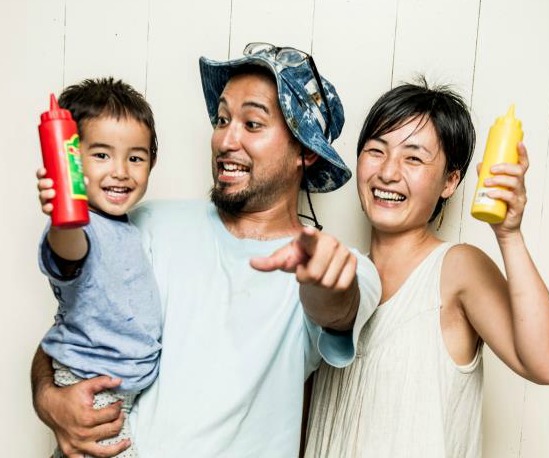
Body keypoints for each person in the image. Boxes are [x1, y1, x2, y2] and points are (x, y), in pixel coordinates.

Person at [31, 43, 381, 457]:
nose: (226, 140)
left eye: (252, 123)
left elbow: (337, 307)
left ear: (304, 151)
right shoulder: (142, 223)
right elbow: (74, 332)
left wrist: (325, 281)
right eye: (222, 119)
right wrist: (47, 397)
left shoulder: (340, 265)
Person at [305, 79, 549, 457]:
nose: (388, 172)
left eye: (413, 158)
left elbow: (547, 364)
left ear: (450, 181)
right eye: (376, 151)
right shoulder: (335, 280)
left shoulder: (456, 269)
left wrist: (509, 235)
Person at [35, 77, 162, 458]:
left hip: (118, 388)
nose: (120, 171)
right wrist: (63, 215)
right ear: (72, 160)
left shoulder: (125, 226)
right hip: (91, 383)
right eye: (102, 155)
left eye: (135, 158)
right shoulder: (81, 227)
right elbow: (70, 252)